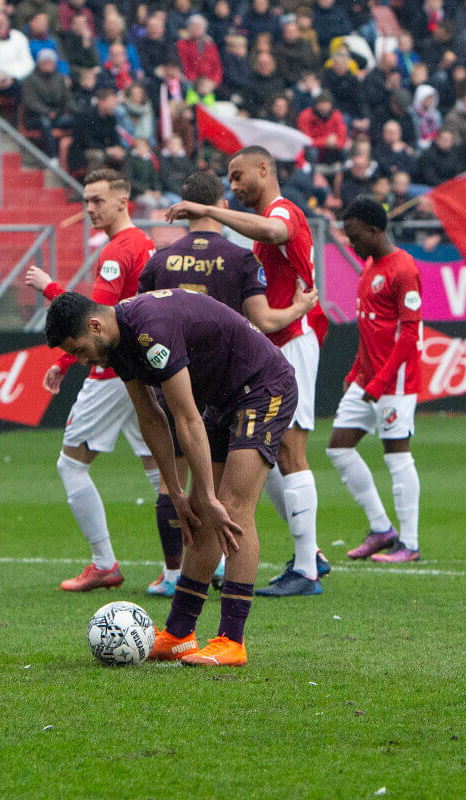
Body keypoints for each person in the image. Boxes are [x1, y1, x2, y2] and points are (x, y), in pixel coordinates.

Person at [44, 287, 297, 667]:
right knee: (197, 510)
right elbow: (150, 419)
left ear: (95, 325)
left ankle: (232, 639)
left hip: (263, 388)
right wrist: (177, 490)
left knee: (230, 507)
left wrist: (209, 496)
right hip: (224, 398)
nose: (80, 361)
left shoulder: (151, 329)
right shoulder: (118, 345)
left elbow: (186, 417)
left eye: (78, 349)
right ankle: (179, 634)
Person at [137, 170, 322, 596]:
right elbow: (263, 319)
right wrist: (300, 307)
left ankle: (177, 574)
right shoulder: (239, 258)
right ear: (221, 202)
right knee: (262, 469)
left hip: (177, 376)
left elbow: (140, 314)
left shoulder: (159, 260)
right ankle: (300, 559)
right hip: (231, 376)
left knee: (179, 481)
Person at [23, 169, 158, 591]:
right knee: (160, 468)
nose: (90, 209)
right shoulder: (145, 243)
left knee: (71, 464)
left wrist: (51, 291)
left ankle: (104, 563)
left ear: (123, 200)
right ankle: (196, 566)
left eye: (98, 200)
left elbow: (93, 320)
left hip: (112, 370)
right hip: (141, 365)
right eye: (86, 201)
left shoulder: (119, 250)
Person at [328, 198, 424, 563]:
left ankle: (410, 545)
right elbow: (371, 328)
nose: (351, 244)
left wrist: (381, 380)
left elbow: (410, 333)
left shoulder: (403, 268)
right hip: (368, 379)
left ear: (374, 230)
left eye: (354, 236)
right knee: (338, 447)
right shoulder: (370, 268)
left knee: (397, 455)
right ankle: (382, 528)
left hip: (394, 383)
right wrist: (356, 371)